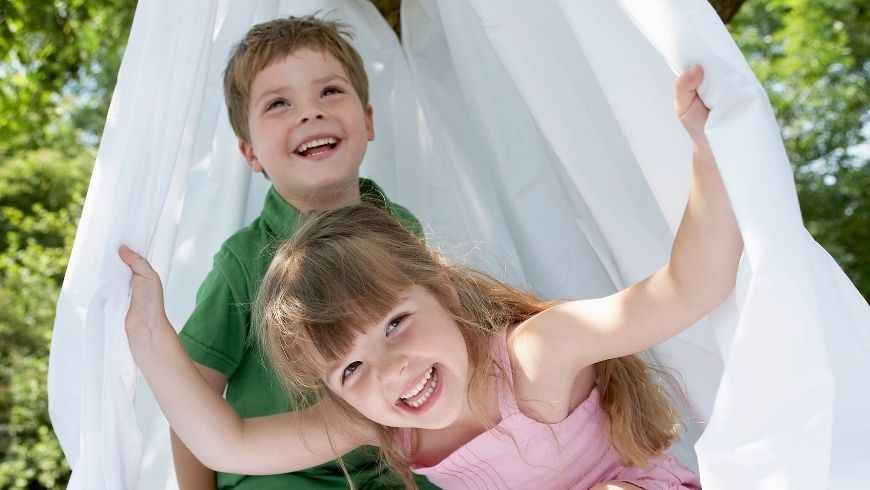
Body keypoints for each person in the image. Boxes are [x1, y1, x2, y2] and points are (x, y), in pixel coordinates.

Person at [121, 66, 741, 488]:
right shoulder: (381, 419)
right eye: (350, 368)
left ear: (442, 291)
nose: (392, 369)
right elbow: (230, 446)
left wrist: (709, 152)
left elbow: (688, 286)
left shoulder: (534, 357)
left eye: (395, 323)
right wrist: (150, 337)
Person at [172, 14, 433, 490]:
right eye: (278, 103)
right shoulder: (242, 261)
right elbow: (190, 398)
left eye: (330, 92)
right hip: (279, 475)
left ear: (368, 121)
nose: (309, 113)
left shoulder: (401, 228)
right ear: (251, 154)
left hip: (390, 467)